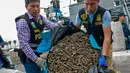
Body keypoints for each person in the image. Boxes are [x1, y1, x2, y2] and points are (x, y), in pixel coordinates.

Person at [15, 0, 59, 73]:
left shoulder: (40, 18)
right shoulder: (23, 21)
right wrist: (36, 60)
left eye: (37, 6)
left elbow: (50, 25)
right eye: (32, 6)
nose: (36, 9)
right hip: (29, 57)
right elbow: (24, 44)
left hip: (39, 51)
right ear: (26, 7)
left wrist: (60, 24)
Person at [75, 0, 112, 68]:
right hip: (92, 44)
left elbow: (107, 37)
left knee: (106, 68)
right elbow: (76, 31)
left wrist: (104, 55)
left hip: (104, 42)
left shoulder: (104, 14)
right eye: (86, 4)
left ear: (98, 1)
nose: (89, 8)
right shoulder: (80, 13)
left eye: (92, 4)